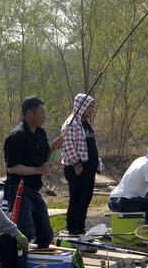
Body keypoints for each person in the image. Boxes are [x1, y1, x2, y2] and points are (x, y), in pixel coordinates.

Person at [3, 97, 59, 249]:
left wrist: (54, 149)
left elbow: (45, 161)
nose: (44, 116)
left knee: (46, 234)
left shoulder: (41, 134)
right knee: (25, 232)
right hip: (19, 190)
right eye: (41, 113)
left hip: (35, 190)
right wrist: (37, 170)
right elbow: (12, 167)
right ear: (29, 113)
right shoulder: (17, 135)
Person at [60, 93, 100, 235]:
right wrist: (77, 165)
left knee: (86, 199)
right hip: (77, 168)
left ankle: (80, 228)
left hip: (89, 168)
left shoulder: (86, 124)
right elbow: (68, 145)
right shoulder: (71, 124)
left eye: (93, 107)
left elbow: (92, 145)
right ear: (81, 106)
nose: (92, 110)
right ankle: (72, 229)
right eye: (90, 107)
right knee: (76, 200)